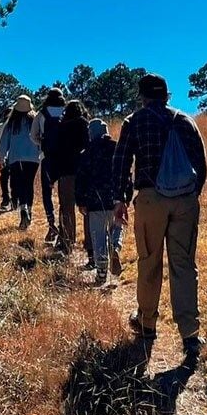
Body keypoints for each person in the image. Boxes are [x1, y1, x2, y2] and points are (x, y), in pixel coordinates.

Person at [112, 73, 207, 363]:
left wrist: (121, 199)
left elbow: (121, 162)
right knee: (183, 264)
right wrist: (190, 194)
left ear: (142, 96)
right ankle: (190, 333)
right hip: (185, 200)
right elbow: (200, 164)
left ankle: (147, 324)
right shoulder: (185, 121)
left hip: (151, 198)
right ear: (167, 95)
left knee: (149, 262)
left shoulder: (134, 121)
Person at [76, 119, 131, 288]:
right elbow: (126, 174)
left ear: (91, 133)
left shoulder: (85, 154)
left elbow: (80, 180)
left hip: (94, 202)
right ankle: (116, 246)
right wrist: (126, 198)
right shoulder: (116, 148)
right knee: (117, 227)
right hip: (115, 198)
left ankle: (101, 271)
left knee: (98, 236)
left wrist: (81, 201)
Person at [0, 95, 41, 230]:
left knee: (20, 184)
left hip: (16, 158)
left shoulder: (11, 122)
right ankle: (30, 211)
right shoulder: (35, 121)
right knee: (29, 184)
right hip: (33, 159)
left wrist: (2, 158)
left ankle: (23, 209)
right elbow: (40, 138)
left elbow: (3, 142)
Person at [30, 87, 65, 243]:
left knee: (47, 193)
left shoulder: (42, 113)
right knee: (65, 194)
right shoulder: (66, 112)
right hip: (65, 158)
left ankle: (52, 224)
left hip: (47, 157)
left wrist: (42, 143)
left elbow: (33, 135)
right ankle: (65, 227)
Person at [55, 100, 89, 253]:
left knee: (67, 208)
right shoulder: (84, 124)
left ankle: (67, 242)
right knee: (88, 208)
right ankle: (90, 244)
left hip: (66, 172)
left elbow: (57, 151)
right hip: (83, 172)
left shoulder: (62, 126)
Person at [0, 107, 17, 211]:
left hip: (3, 156)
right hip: (15, 156)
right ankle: (15, 200)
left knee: (4, 177)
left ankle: (6, 198)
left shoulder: (1, 127)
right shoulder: (16, 126)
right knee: (15, 178)